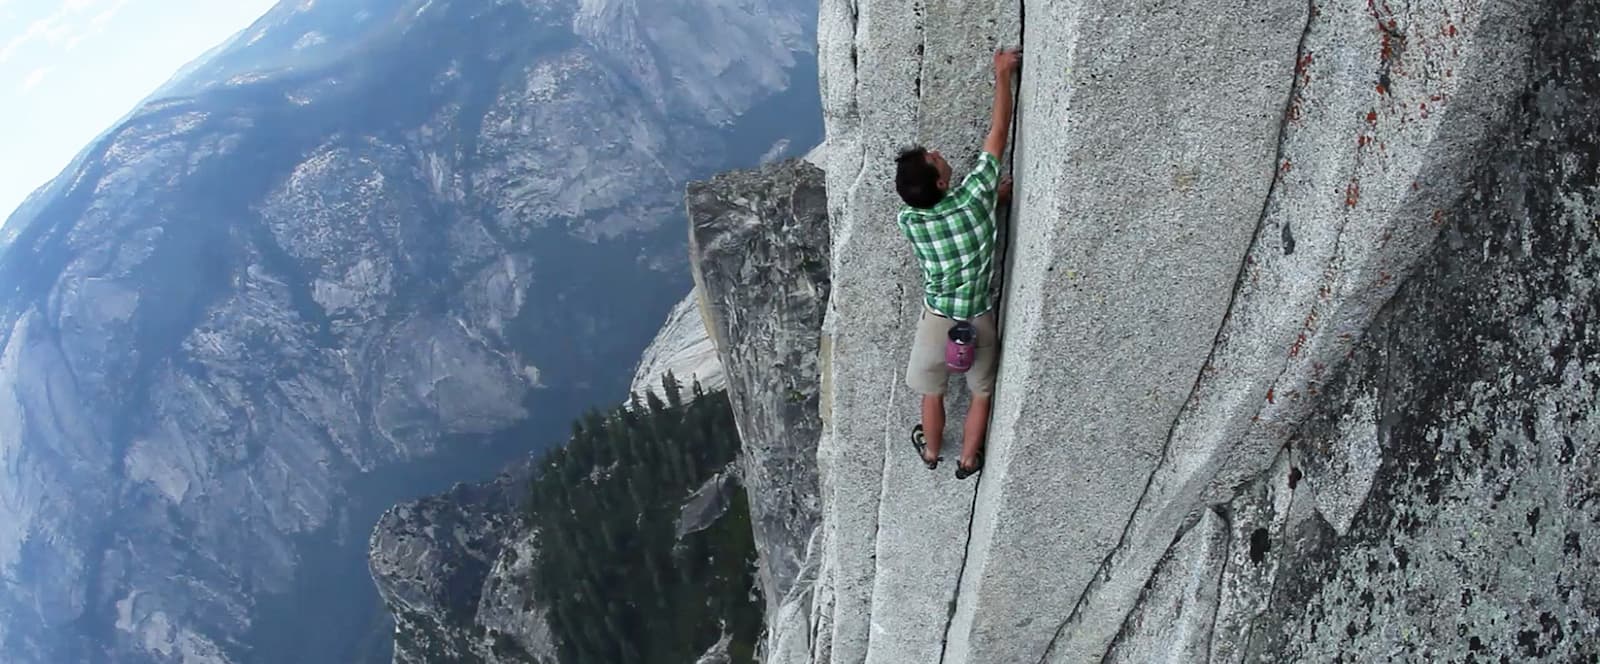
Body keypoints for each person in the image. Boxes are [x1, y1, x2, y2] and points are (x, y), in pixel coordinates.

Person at [895, 47, 1020, 480]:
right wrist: (1002, 74)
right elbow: (998, 133)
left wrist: (988, 201)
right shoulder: (973, 198)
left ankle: (931, 452)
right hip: (978, 317)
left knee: (933, 392)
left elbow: (934, 206)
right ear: (943, 180)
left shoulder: (908, 219)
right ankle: (968, 460)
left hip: (936, 321)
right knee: (981, 391)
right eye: (933, 160)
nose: (935, 151)